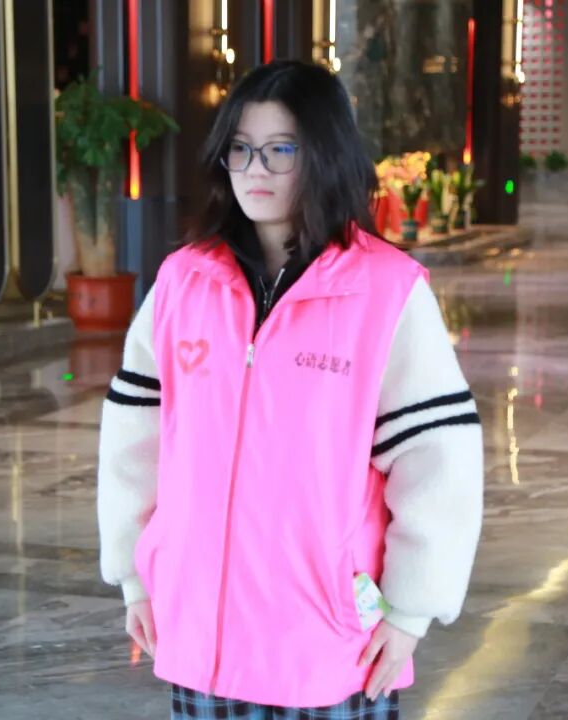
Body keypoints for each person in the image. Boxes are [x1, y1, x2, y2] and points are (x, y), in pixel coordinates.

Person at [97, 60, 484, 719]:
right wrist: (136, 576)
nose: (256, 170)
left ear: (325, 155)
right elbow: (133, 442)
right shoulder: (183, 283)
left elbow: (437, 457)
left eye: (281, 150)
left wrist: (412, 607)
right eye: (241, 149)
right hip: (203, 631)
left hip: (327, 642)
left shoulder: (386, 290)